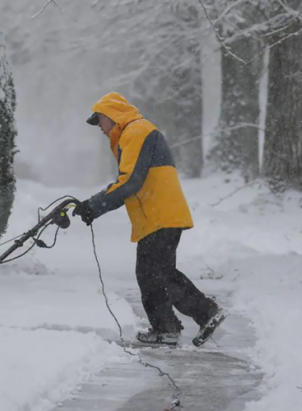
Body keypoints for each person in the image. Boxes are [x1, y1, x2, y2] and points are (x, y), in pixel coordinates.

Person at [71, 92, 226, 347]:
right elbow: (130, 183)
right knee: (158, 273)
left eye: (99, 120)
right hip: (159, 215)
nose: (99, 127)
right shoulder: (134, 132)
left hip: (159, 215)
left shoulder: (136, 131)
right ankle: (174, 324)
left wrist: (94, 206)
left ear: (112, 115)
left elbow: (130, 182)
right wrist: (93, 206)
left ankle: (194, 317)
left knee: (153, 274)